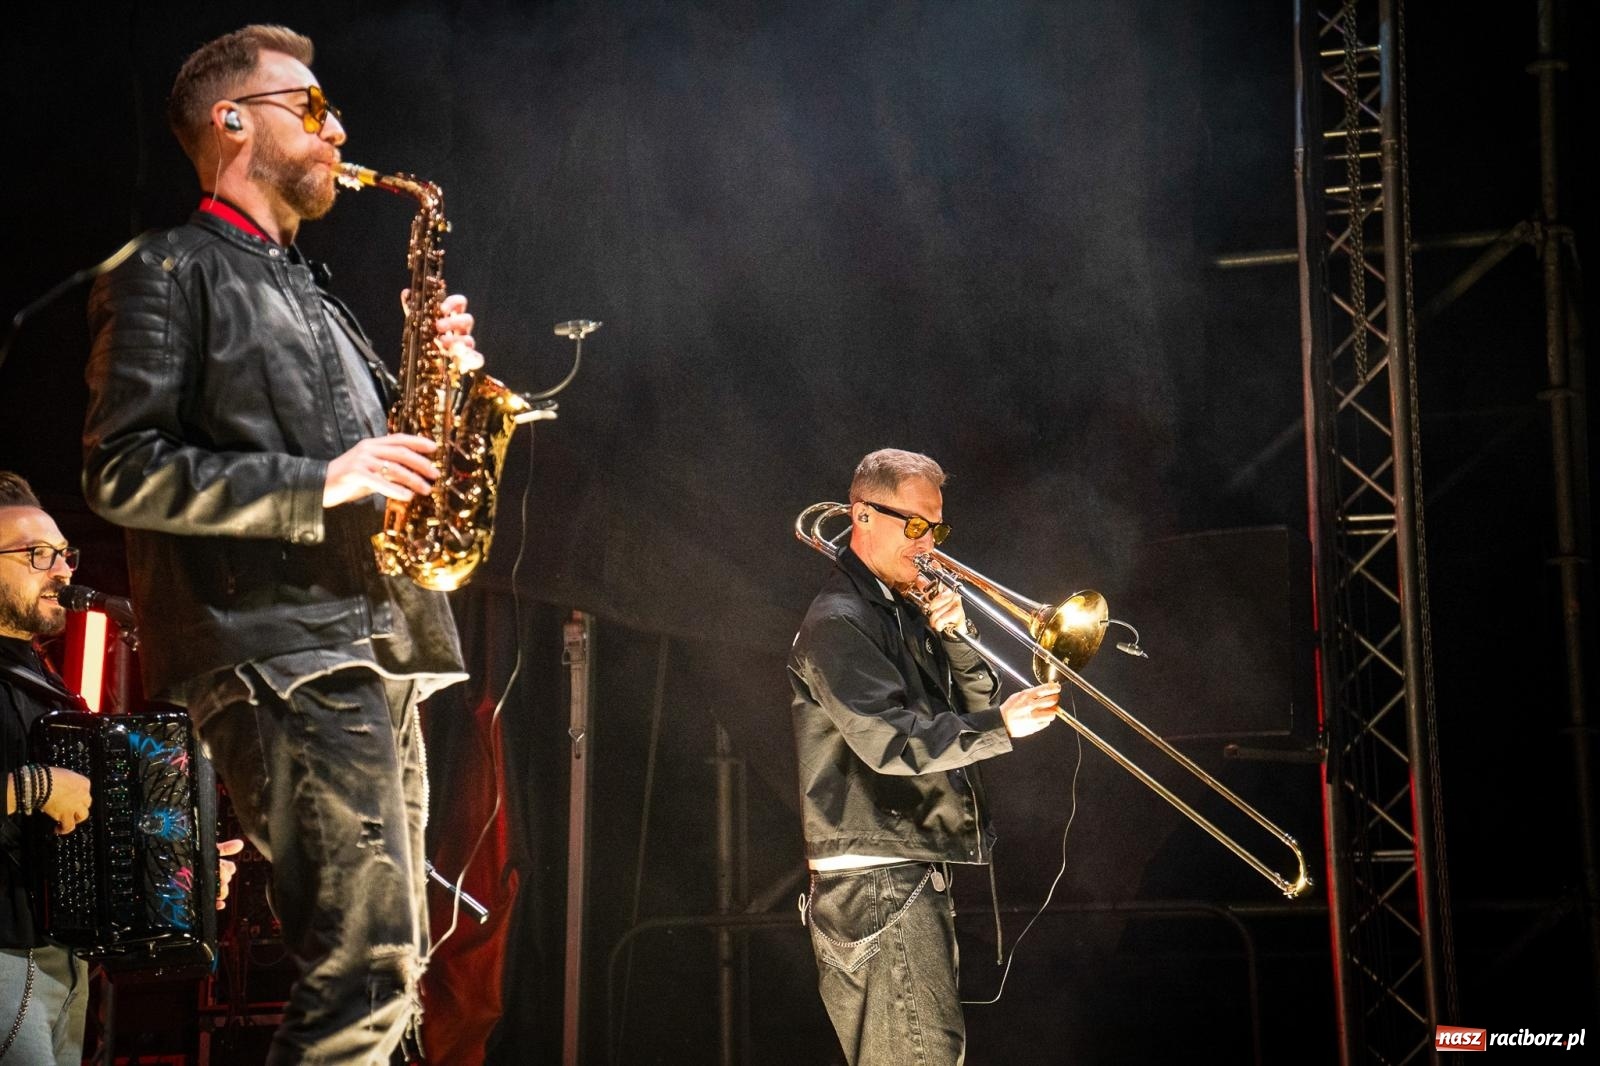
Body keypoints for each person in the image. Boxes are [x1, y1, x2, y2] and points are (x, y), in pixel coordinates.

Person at [82, 24, 476, 1065]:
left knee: (393, 977)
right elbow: (120, 469)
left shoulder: (316, 294)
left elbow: (392, 475)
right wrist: (324, 479)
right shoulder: (165, 270)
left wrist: (442, 387)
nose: (337, 127)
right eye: (310, 106)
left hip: (373, 646)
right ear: (232, 120)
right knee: (364, 971)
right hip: (277, 649)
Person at [789, 448, 1062, 1066]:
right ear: (861, 516)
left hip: (901, 880)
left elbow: (962, 707)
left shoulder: (898, 612)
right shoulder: (841, 621)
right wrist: (1002, 725)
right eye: (915, 525)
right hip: (880, 886)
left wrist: (958, 642)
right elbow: (890, 741)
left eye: (936, 528)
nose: (929, 545)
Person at [0, 471, 241, 1064]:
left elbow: (80, 833)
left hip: (61, 961)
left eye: (64, 554)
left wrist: (181, 870)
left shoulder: (45, 686)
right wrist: (30, 787)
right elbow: (40, 796)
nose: (62, 570)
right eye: (37, 555)